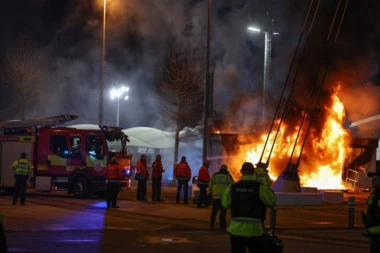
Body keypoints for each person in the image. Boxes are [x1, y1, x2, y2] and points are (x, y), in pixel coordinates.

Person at [222, 162, 276, 253]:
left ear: (241, 171)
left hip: (236, 230)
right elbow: (272, 201)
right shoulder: (260, 188)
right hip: (255, 230)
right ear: (253, 172)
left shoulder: (232, 188)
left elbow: (224, 204)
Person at [209, 164, 234, 229]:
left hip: (216, 196)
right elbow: (232, 185)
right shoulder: (228, 176)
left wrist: (209, 192)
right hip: (224, 197)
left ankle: (211, 224)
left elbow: (210, 183)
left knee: (214, 211)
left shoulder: (215, 175)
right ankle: (222, 225)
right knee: (223, 212)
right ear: (226, 169)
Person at [362, 162, 380, 253]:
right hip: (374, 235)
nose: (373, 180)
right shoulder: (373, 195)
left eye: (376, 178)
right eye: (372, 178)